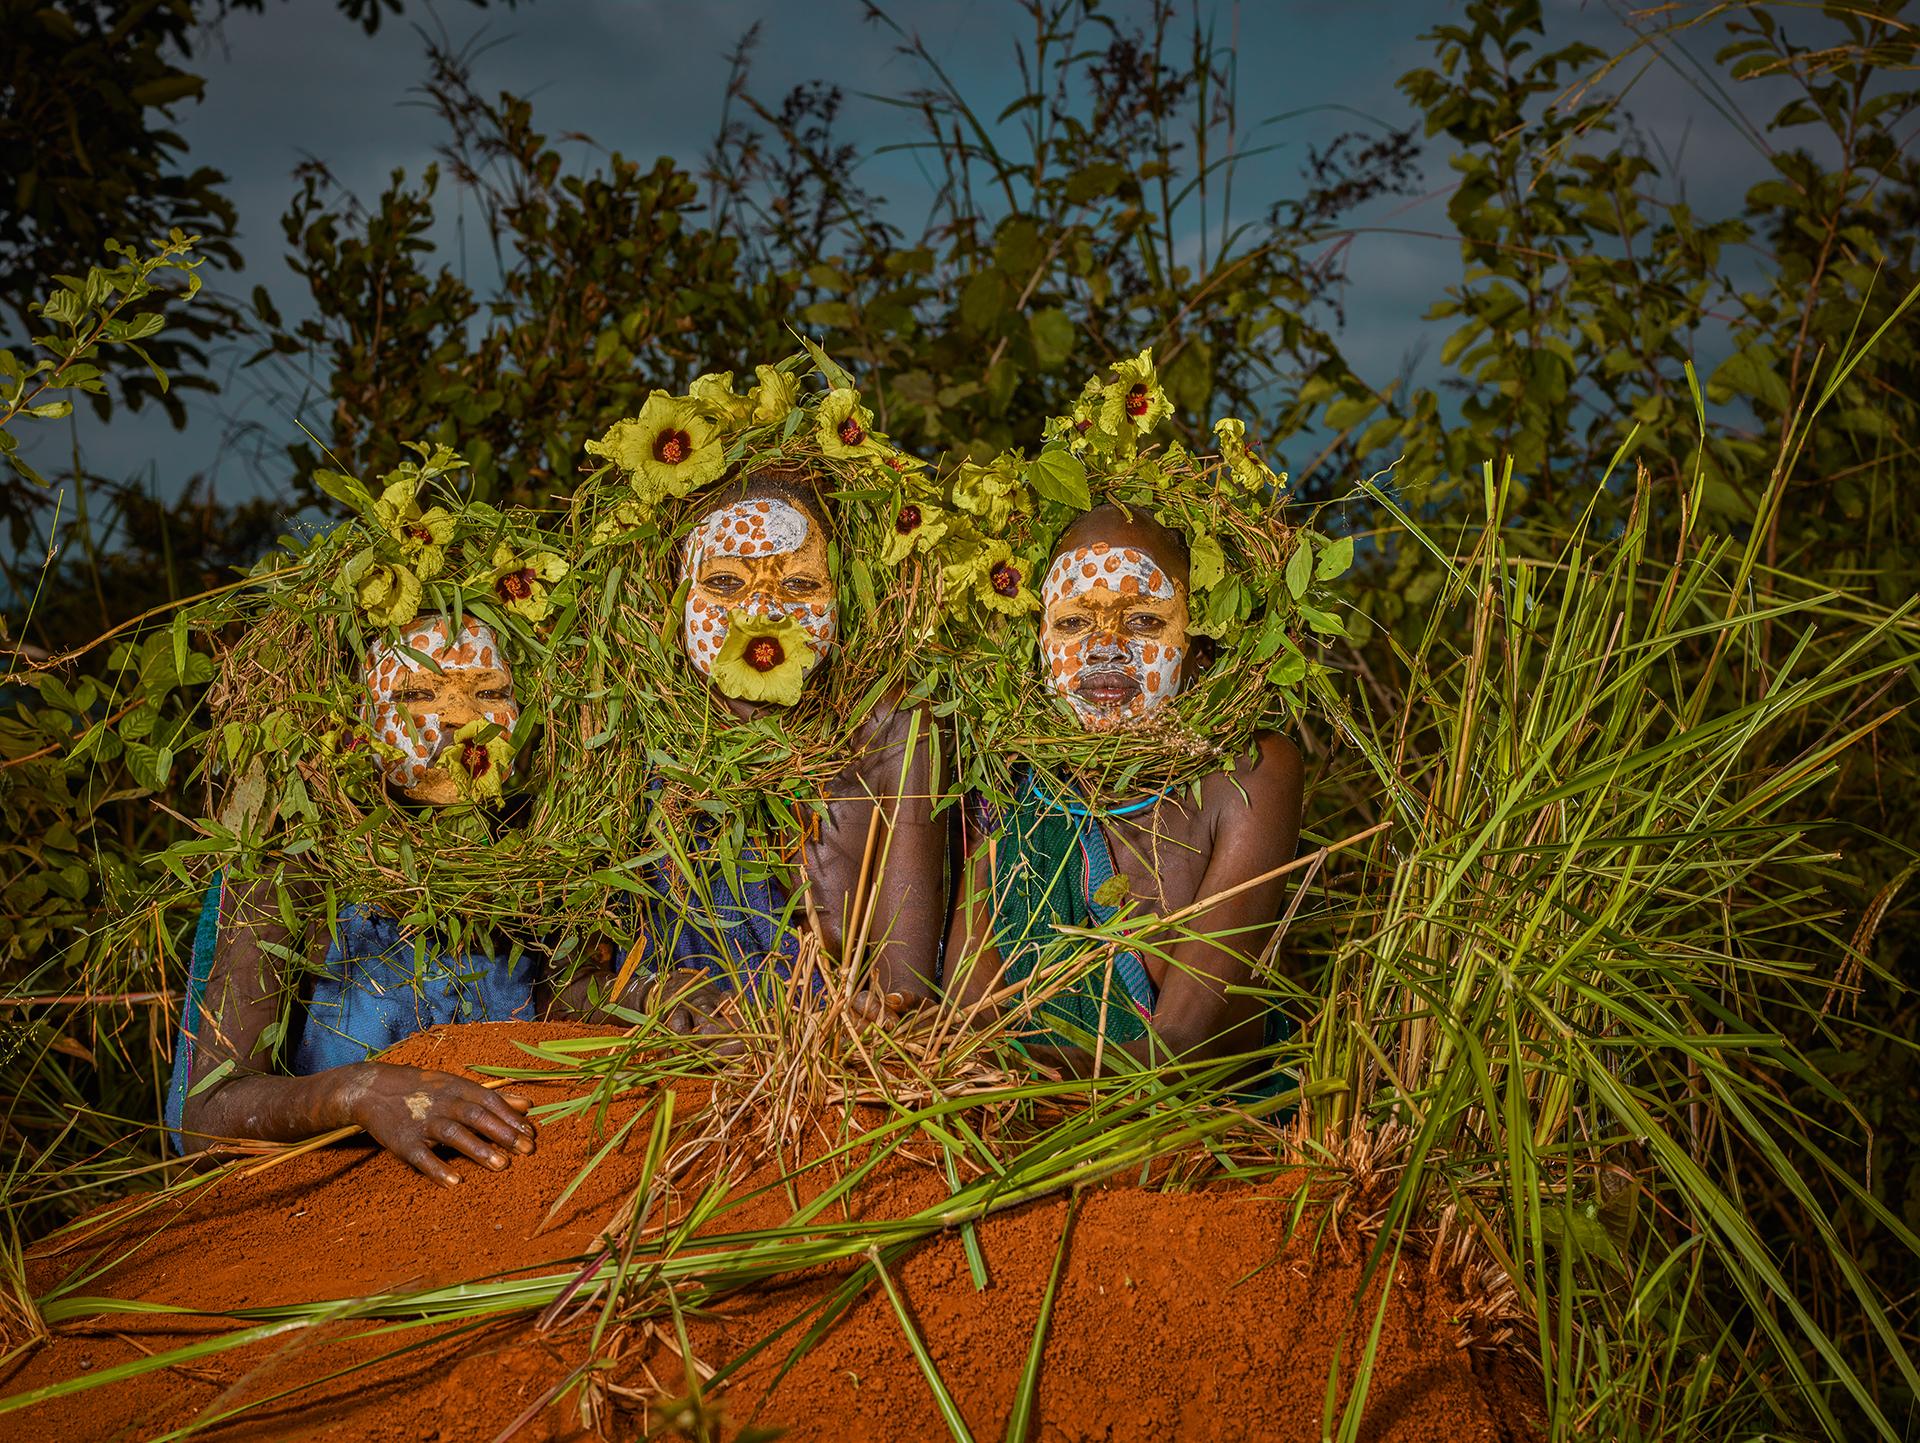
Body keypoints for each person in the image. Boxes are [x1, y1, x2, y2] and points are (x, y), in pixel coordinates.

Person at [170, 615, 547, 1184]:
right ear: (358, 721)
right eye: (418, 694)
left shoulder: (544, 862)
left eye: (489, 692)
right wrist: (356, 1091)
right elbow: (202, 1116)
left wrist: (646, 996)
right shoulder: (293, 867)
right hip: (320, 1230)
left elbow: (569, 1015)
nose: (457, 719)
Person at [944, 504, 1304, 1075]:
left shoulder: (1249, 771)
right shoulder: (1012, 783)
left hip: (1197, 1131)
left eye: (1141, 621)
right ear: (1036, 648)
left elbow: (1184, 1042)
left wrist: (1027, 1074)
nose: (1105, 648)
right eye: (1072, 622)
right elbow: (966, 1012)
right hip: (1013, 1119)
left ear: (1199, 646)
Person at [637, 468, 947, 1030]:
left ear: (844, 596)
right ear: (676, 600)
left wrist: (878, 1015)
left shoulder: (890, 726)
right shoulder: (642, 739)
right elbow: (569, 984)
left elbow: (910, 993)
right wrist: (654, 997)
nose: (761, 610)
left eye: (801, 585)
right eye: (726, 583)